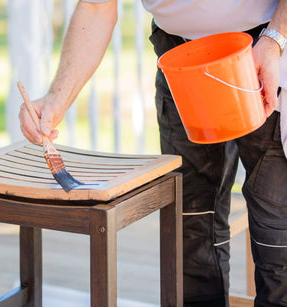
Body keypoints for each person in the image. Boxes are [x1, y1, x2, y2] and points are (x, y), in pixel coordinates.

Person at [18, 1, 287, 306]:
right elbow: (96, 7)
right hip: (182, 58)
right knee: (191, 225)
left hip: (267, 49)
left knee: (278, 232)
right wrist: (57, 98)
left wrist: (276, 38)